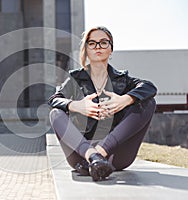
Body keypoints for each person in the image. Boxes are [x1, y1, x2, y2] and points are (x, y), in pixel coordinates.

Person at [48, 26, 157, 181]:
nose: (98, 47)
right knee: (55, 112)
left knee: (148, 102)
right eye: (92, 43)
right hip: (80, 155)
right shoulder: (75, 78)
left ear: (111, 49)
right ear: (86, 49)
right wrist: (76, 105)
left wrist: (124, 99)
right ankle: (92, 156)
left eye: (103, 42)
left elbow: (149, 87)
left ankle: (99, 154)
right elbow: (54, 99)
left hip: (115, 155)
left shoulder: (122, 79)